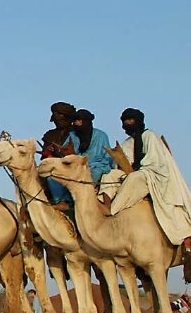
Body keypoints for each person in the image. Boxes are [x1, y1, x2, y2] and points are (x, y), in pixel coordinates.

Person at [100, 109, 191, 275]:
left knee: (135, 179)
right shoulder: (127, 142)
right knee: (109, 176)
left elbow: (156, 161)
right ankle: (105, 205)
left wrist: (136, 169)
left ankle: (114, 211)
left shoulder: (150, 136)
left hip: (153, 174)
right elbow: (121, 163)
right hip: (132, 173)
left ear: (138, 120)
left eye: (130, 120)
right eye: (125, 121)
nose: (128, 124)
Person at [40, 102, 79, 209]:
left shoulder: (76, 133)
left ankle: (66, 201)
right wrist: (49, 153)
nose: (58, 119)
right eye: (56, 115)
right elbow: (44, 155)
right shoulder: (49, 135)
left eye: (61, 115)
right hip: (52, 166)